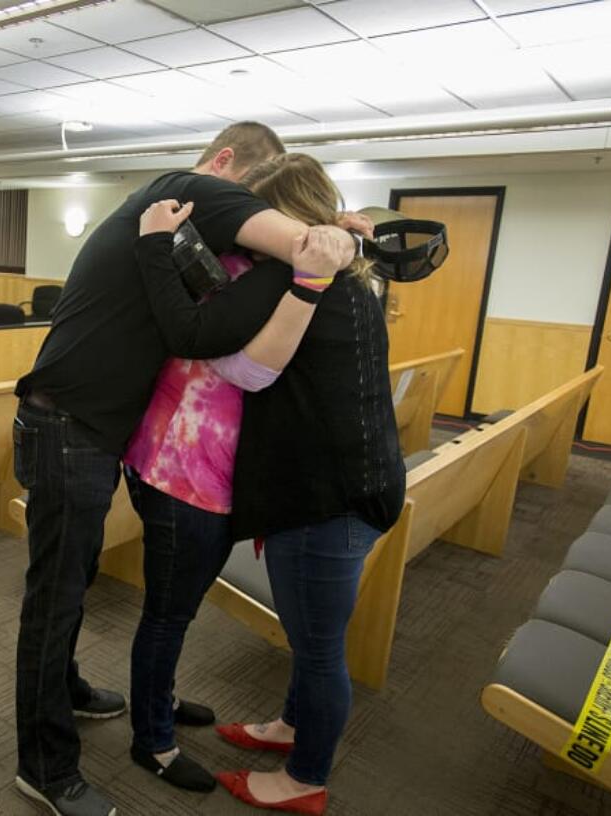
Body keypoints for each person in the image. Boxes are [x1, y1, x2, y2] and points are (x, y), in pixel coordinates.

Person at [12, 122, 361, 816]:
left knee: (73, 581)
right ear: (226, 165)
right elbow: (305, 248)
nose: (240, 231)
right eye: (251, 206)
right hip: (65, 429)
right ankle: (46, 770)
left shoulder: (174, 221)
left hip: (84, 430)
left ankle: (72, 690)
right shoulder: (189, 189)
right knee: (53, 604)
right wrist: (338, 234)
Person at [121, 152, 371, 795]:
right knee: (168, 615)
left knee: (180, 611)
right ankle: (153, 739)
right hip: (181, 472)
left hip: (221, 478)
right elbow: (239, 367)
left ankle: (161, 702)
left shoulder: (291, 273)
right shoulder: (244, 271)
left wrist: (335, 240)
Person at [196, 153, 405, 814]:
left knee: (318, 650)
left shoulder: (316, 288)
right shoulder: (356, 279)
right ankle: (293, 727)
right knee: (309, 633)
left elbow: (245, 372)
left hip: (328, 499)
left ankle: (304, 778)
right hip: (352, 486)